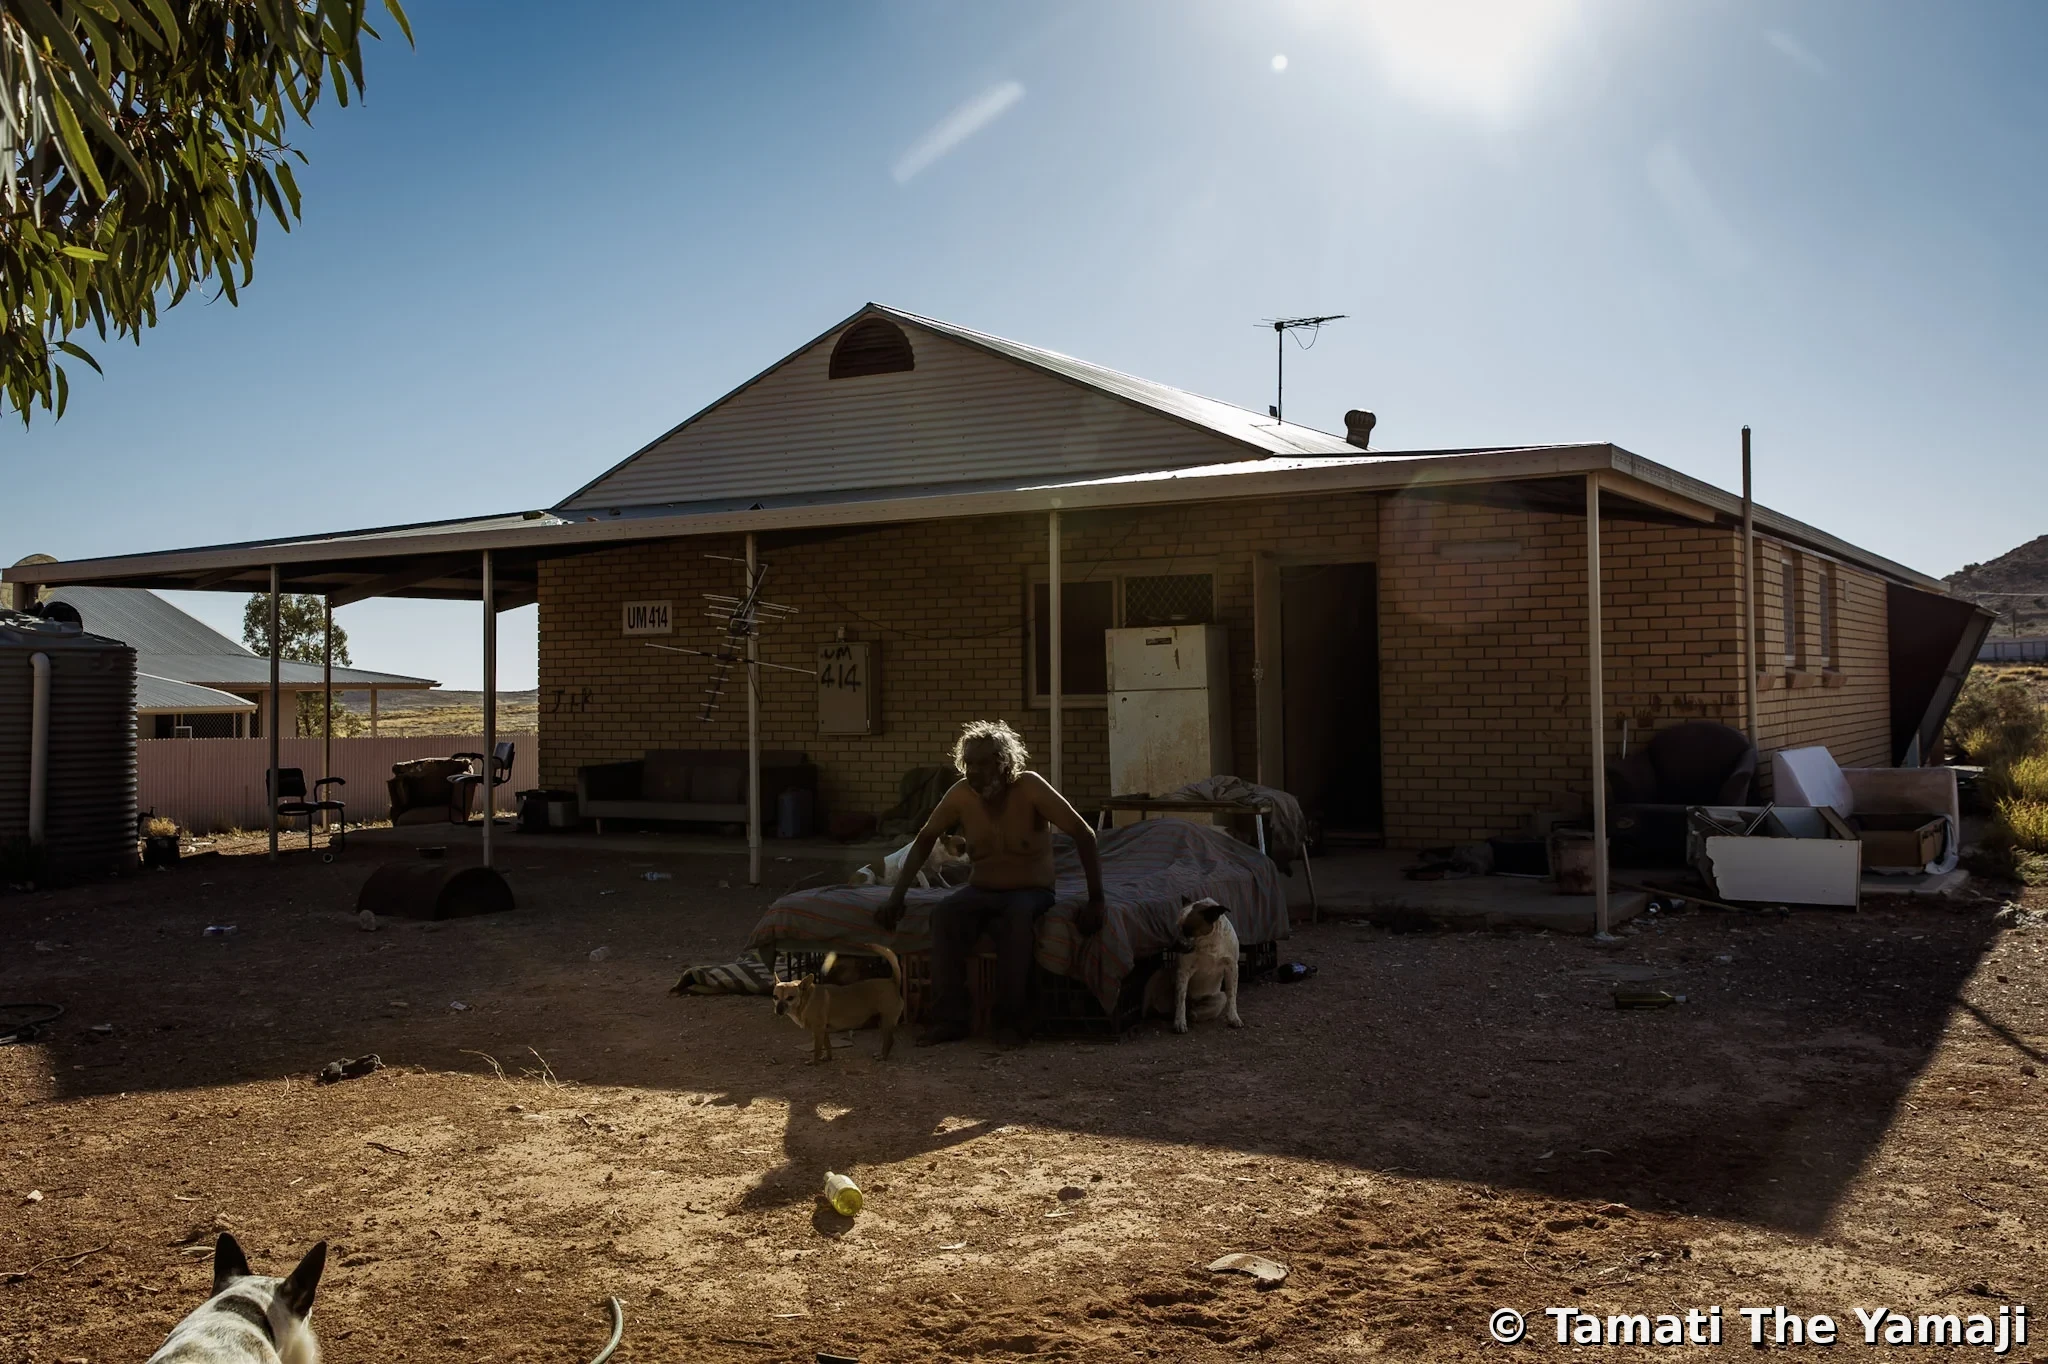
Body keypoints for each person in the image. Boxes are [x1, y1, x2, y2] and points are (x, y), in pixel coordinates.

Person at [875, 719, 1105, 1047]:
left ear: (1003, 762)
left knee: (1015, 920)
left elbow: (1084, 833)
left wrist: (1097, 898)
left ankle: (1013, 1022)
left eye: (983, 764)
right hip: (981, 889)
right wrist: (896, 897)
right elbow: (925, 839)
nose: (974, 772)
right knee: (945, 915)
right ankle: (950, 1019)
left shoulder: (1030, 787)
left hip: (1031, 892)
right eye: (968, 764)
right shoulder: (961, 795)